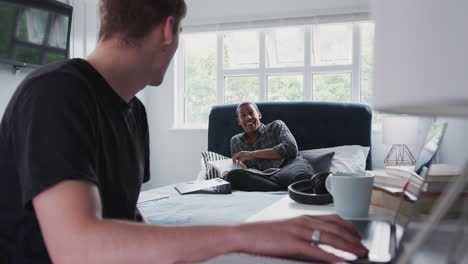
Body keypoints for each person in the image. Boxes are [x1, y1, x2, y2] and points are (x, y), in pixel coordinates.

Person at [0, 0, 368, 263]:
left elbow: (127, 219)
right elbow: (78, 249)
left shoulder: (134, 111)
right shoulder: (54, 92)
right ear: (167, 30)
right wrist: (246, 234)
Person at [227, 102, 317, 191]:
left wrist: (252, 154)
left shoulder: (276, 126)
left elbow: (291, 149)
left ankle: (281, 186)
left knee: (303, 180)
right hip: (263, 177)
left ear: (259, 115)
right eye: (243, 115)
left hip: (288, 166)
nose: (248, 117)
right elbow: (239, 167)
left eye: (251, 113)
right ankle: (282, 187)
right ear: (239, 121)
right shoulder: (236, 141)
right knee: (233, 176)